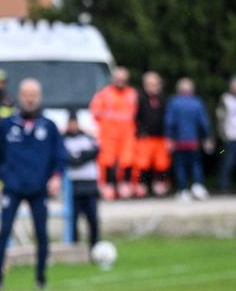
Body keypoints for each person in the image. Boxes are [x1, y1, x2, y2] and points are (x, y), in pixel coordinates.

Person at [0, 79, 67, 290]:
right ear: (20, 97)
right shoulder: (6, 125)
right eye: (26, 95)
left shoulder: (49, 126)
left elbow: (59, 155)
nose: (30, 99)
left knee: (41, 232)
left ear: (39, 97)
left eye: (34, 95)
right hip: (12, 187)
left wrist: (56, 177)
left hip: (38, 188)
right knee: (4, 231)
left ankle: (40, 278)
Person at [89, 67, 138, 200]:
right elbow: (95, 112)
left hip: (127, 134)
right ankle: (108, 186)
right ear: (113, 79)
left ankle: (125, 185)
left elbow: (138, 113)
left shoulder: (132, 94)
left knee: (127, 160)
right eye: (118, 79)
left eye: (123, 79)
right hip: (108, 134)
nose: (120, 82)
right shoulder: (104, 94)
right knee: (107, 161)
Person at [165, 78, 213, 202]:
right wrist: (207, 137)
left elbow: (169, 122)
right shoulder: (197, 102)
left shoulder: (174, 102)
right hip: (193, 140)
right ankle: (197, 186)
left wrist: (169, 138)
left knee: (180, 166)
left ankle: (183, 190)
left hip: (179, 140)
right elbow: (203, 122)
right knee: (196, 164)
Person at [63, 113, 100, 250]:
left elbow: (95, 152)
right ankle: (75, 247)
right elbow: (67, 158)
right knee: (73, 219)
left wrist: (79, 156)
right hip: (73, 184)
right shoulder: (63, 140)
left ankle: (94, 246)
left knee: (93, 218)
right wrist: (81, 156)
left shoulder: (87, 137)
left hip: (89, 183)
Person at [135, 71, 170, 197]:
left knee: (162, 163)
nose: (152, 87)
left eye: (154, 84)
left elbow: (168, 118)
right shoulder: (139, 98)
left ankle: (160, 185)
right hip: (145, 137)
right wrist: (140, 131)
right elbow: (135, 117)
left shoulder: (163, 99)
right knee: (143, 163)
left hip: (161, 137)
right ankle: (142, 186)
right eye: (149, 84)